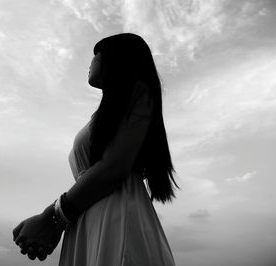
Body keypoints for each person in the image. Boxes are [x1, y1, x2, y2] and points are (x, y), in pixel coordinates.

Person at [13, 32, 180, 265]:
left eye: (95, 55)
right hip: (89, 218)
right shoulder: (104, 116)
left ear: (113, 58)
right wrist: (57, 223)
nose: (89, 63)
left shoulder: (140, 93)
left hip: (117, 219)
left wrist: (51, 218)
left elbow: (113, 168)